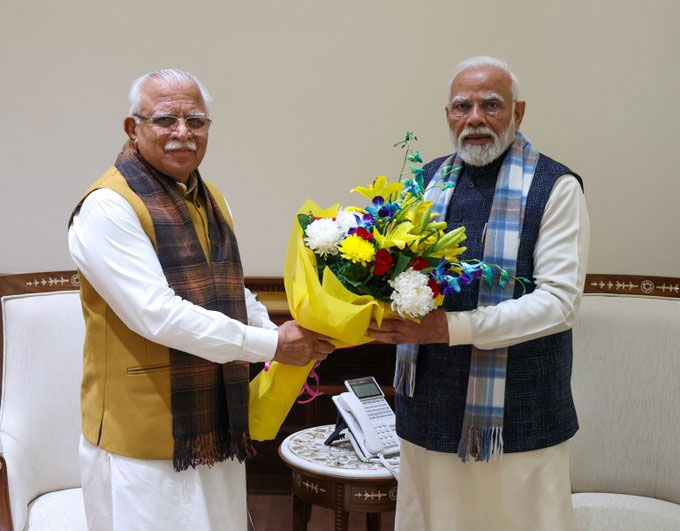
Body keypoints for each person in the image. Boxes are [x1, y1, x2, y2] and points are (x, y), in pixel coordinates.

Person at [68, 69, 335, 531]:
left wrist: (286, 334)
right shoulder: (107, 207)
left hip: (216, 419)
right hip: (145, 432)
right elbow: (158, 315)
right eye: (165, 119)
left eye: (196, 121)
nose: (182, 133)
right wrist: (273, 346)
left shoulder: (209, 196)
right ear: (134, 128)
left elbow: (231, 290)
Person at [367, 56, 589, 530]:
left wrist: (450, 328)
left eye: (491, 105)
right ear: (447, 115)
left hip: (520, 414)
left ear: (518, 112)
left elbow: (559, 304)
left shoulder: (557, 187)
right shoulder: (425, 182)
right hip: (428, 407)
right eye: (461, 106)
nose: (474, 118)